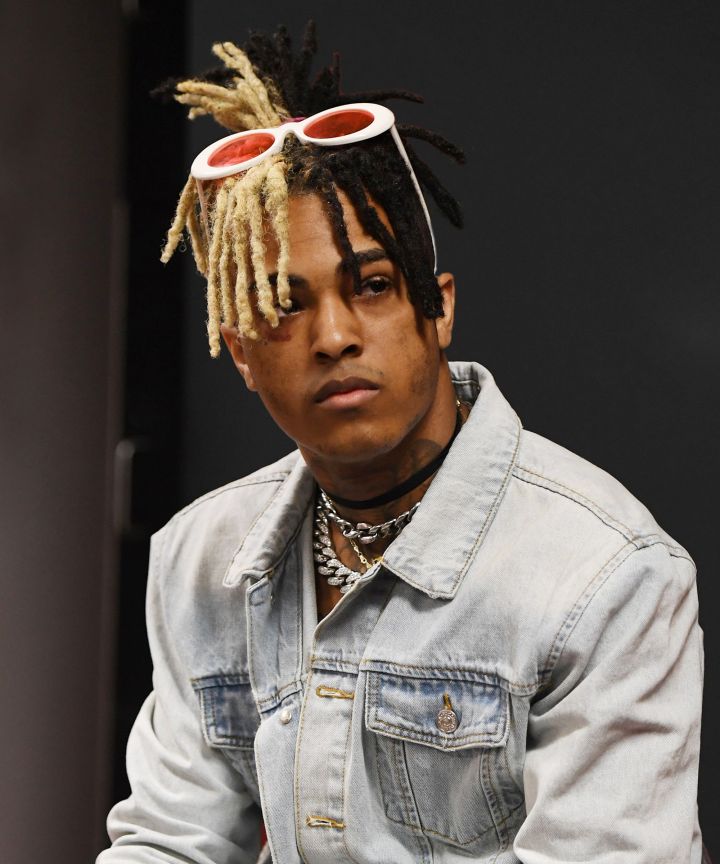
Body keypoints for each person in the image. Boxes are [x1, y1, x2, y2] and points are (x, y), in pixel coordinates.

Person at [98, 22, 704, 864]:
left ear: (438, 307)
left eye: (374, 286)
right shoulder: (201, 559)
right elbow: (170, 841)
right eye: (284, 306)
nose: (334, 337)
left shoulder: (605, 575)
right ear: (239, 351)